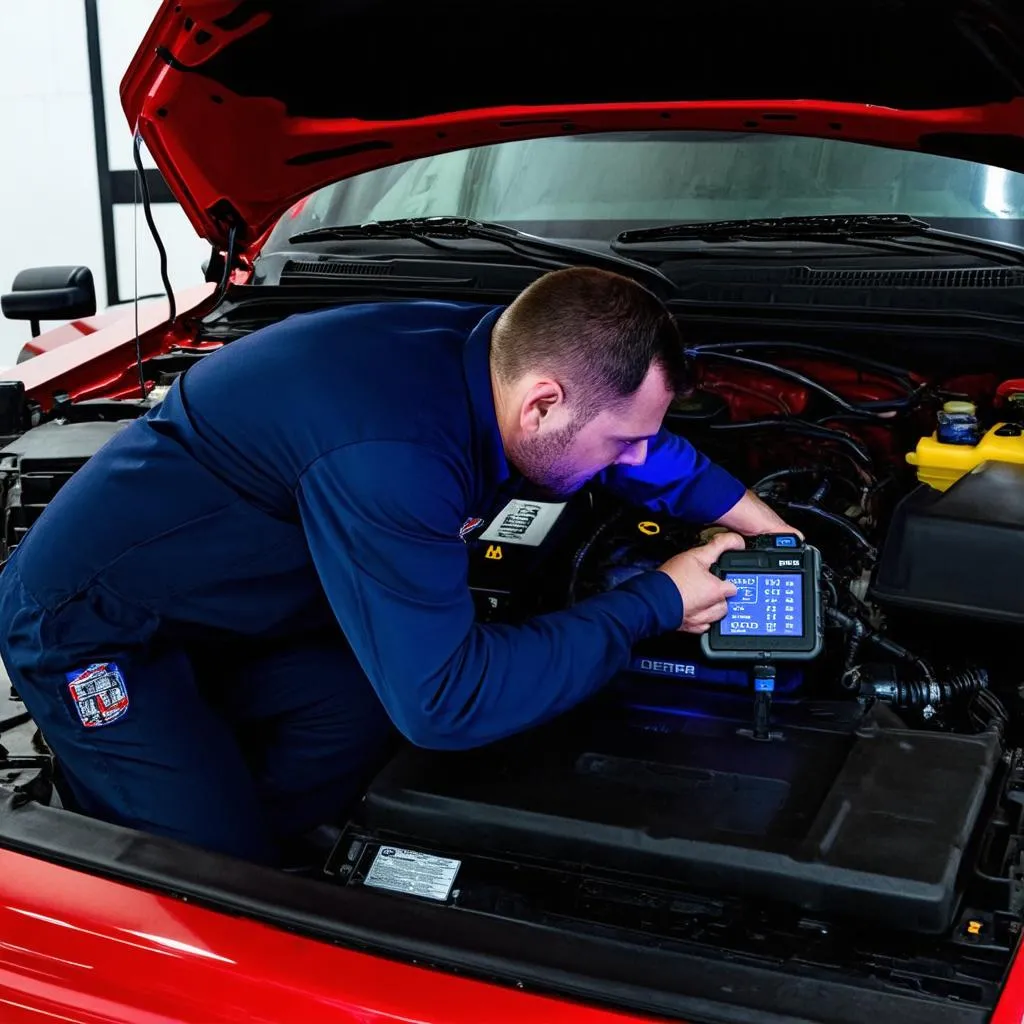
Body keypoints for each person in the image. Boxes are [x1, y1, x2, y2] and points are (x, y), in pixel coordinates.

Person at [0, 267, 795, 865]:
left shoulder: (492, 354)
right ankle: (218, 841)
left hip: (231, 612)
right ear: (543, 403)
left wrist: (743, 509)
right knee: (214, 876)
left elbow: (628, 437)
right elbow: (445, 706)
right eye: (625, 445)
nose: (637, 459)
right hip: (97, 633)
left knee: (362, 708)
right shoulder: (394, 457)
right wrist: (652, 601)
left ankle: (263, 830)